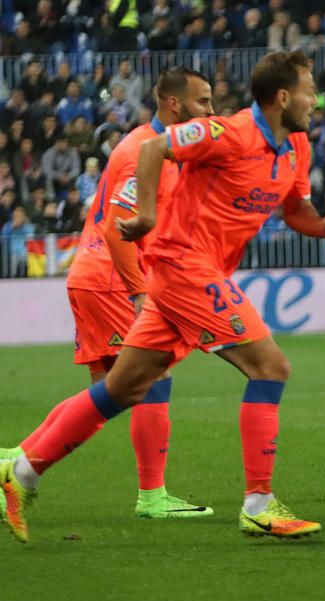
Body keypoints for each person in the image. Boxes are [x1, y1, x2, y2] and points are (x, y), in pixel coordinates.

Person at [0, 51, 325, 543]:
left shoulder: (295, 145)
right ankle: (258, 504)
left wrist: (324, 227)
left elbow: (296, 209)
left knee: (124, 389)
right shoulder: (226, 134)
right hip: (184, 265)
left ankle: (20, 474)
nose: (316, 100)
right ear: (282, 96)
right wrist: (144, 216)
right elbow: (153, 150)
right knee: (270, 368)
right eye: (309, 89)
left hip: (188, 274)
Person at [3, 68, 217, 519]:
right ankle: (152, 496)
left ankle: (14, 459)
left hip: (92, 274)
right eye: (204, 102)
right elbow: (116, 227)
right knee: (150, 378)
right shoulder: (145, 149)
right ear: (174, 105)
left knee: (106, 395)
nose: (211, 112)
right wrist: (140, 292)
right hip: (111, 279)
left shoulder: (152, 145)